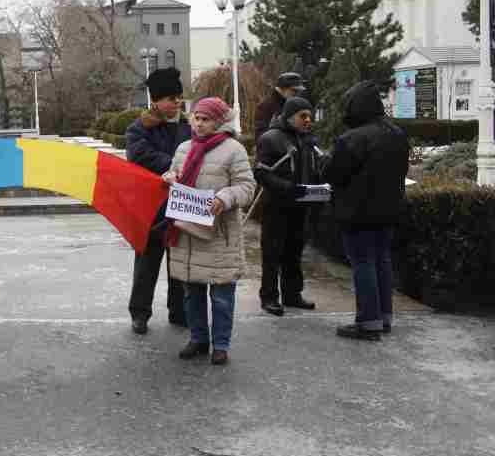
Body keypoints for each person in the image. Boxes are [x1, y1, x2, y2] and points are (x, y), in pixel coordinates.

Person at [165, 97, 256, 365]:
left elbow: (247, 187)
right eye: (196, 117)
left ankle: (221, 345)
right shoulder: (183, 148)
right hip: (187, 233)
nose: (199, 123)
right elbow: (173, 174)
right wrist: (169, 177)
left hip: (219, 235)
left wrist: (225, 197)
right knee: (192, 294)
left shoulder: (233, 149)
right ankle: (198, 338)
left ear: (218, 122)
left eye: (206, 119)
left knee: (221, 297)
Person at [323, 81, 409, 341]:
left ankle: (368, 322)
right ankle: (384, 316)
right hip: (389, 210)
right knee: (381, 261)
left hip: (357, 212)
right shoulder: (397, 134)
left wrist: (326, 159)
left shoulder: (352, 139)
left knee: (363, 263)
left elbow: (332, 174)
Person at [124, 68, 192, 333]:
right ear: (156, 100)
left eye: (179, 98)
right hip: (151, 208)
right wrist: (176, 167)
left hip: (182, 208)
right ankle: (139, 313)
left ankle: (179, 311)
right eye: (171, 98)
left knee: (179, 263)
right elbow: (140, 156)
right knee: (146, 264)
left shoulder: (189, 125)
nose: (177, 103)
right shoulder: (139, 128)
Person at [254, 96, 323, 316]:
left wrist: (319, 187)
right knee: (272, 253)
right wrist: (288, 188)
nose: (307, 120)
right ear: (289, 115)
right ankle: (269, 297)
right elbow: (261, 173)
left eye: (310, 116)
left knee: (294, 252)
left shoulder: (308, 141)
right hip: (277, 206)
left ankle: (293, 294)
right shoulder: (271, 138)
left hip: (301, 206)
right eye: (303, 116)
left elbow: (314, 169)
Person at [254, 72, 306, 140]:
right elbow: (261, 136)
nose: (297, 94)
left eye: (298, 91)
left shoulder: (295, 105)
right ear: (282, 88)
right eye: (294, 90)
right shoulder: (265, 106)